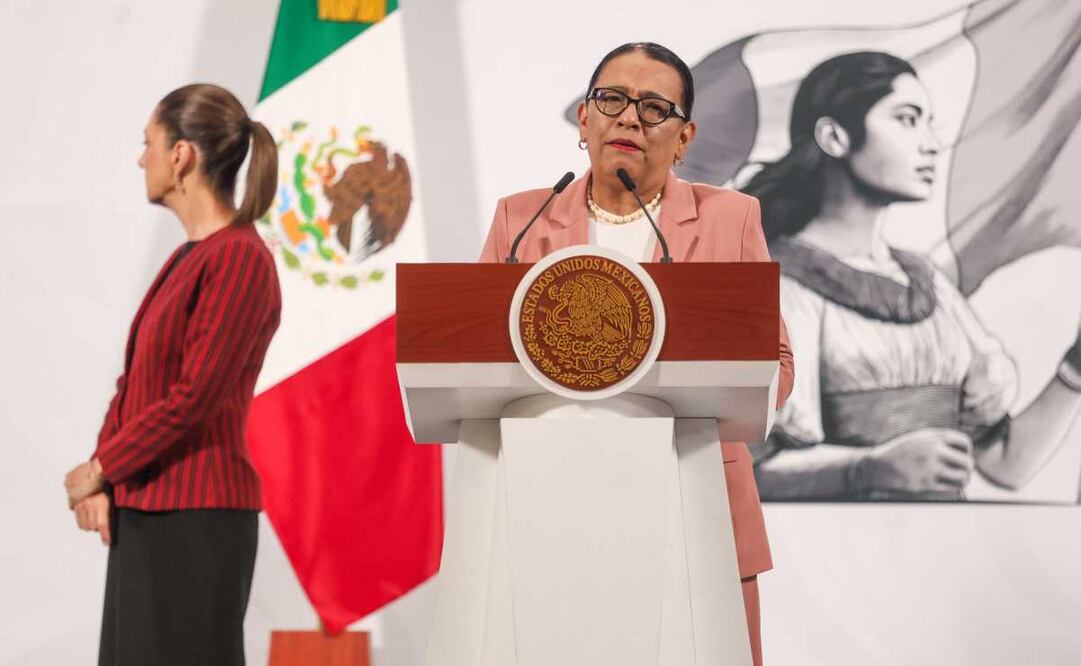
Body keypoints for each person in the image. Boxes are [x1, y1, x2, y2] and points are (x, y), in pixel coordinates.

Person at [479, 42, 795, 666]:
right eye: (612, 100)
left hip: (694, 504)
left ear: (684, 138)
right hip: (551, 510)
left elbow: (777, 366)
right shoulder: (523, 220)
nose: (629, 118)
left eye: (654, 107)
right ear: (585, 120)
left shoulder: (731, 219)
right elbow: (470, 353)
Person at [742, 51, 1081, 501]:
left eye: (928, 122)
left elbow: (1005, 465)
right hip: (831, 556)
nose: (930, 143)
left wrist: (1076, 366)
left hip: (937, 553)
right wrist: (868, 468)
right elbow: (743, 471)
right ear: (834, 136)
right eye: (907, 119)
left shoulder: (928, 283)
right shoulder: (778, 285)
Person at [62, 83, 282, 666]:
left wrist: (100, 467)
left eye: (148, 143)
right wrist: (106, 479)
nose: (142, 159)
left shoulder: (238, 258)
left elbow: (193, 400)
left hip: (196, 519)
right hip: (150, 510)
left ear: (181, 155)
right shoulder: (192, 255)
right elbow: (135, 385)